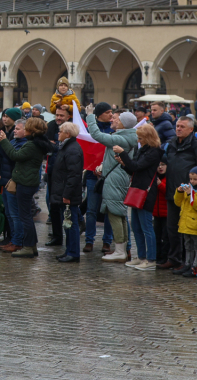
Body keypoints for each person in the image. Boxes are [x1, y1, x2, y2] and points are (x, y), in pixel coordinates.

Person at [0, 117, 53, 257]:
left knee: (24, 217)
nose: (16, 131)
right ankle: (30, 245)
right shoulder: (33, 143)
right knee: (22, 216)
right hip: (25, 181)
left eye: (20, 128)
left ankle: (27, 246)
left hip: (25, 182)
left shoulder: (31, 145)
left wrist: (3, 140)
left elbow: (14, 155)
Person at [86, 108, 139, 264]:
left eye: (116, 118)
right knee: (119, 213)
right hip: (117, 177)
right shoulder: (125, 136)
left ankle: (120, 251)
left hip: (115, 179)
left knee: (115, 213)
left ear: (123, 123)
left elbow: (96, 135)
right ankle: (121, 249)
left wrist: (90, 116)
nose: (112, 120)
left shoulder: (122, 139)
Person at [157, 117, 197, 270]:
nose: (178, 129)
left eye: (182, 127)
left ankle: (186, 261)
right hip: (173, 192)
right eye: (177, 126)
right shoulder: (171, 144)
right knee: (172, 228)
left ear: (191, 129)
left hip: (188, 194)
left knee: (186, 228)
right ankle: (174, 258)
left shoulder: (196, 146)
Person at [114, 123, 162, 270]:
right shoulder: (143, 150)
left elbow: (136, 167)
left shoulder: (154, 152)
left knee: (146, 226)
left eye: (141, 138)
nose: (139, 140)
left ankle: (151, 259)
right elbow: (134, 170)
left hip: (146, 192)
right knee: (136, 226)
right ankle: (141, 257)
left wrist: (123, 153)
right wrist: (123, 163)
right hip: (137, 190)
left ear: (148, 137)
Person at [50, 121, 84, 262]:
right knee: (68, 223)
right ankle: (69, 250)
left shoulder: (72, 149)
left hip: (68, 193)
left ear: (67, 134)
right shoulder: (66, 147)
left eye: (61, 131)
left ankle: (74, 253)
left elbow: (74, 174)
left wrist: (66, 194)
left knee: (72, 223)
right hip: (63, 191)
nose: (58, 133)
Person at [0, 107, 24, 251]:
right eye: (3, 116)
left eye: (8, 116)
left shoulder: (15, 137)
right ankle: (10, 238)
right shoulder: (5, 133)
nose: (4, 119)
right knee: (7, 211)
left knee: (14, 213)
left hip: (13, 177)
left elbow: (10, 155)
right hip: (4, 176)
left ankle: (15, 239)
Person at [84, 102, 115, 253]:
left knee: (109, 210)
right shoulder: (90, 129)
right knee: (91, 210)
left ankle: (107, 241)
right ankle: (89, 240)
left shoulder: (114, 130)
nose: (111, 115)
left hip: (109, 176)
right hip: (92, 175)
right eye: (108, 112)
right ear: (100, 114)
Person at [172, 166, 197, 277]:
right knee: (187, 245)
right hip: (185, 222)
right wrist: (179, 192)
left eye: (195, 179)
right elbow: (177, 203)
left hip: (196, 224)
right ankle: (187, 264)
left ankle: (195, 267)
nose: (192, 181)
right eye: (191, 179)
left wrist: (190, 194)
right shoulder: (189, 189)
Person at [44, 105, 71, 247]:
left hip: (65, 175)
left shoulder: (72, 130)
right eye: (57, 115)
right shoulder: (51, 126)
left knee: (67, 207)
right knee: (53, 205)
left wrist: (53, 145)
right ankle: (57, 236)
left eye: (61, 115)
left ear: (68, 117)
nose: (58, 118)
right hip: (52, 170)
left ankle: (71, 236)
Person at [152, 159, 169, 264]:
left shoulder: (169, 178)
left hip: (166, 213)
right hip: (156, 212)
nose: (160, 167)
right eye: (158, 165)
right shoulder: (154, 177)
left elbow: (169, 192)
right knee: (156, 236)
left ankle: (164, 257)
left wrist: (159, 185)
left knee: (166, 237)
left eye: (163, 164)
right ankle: (157, 255)